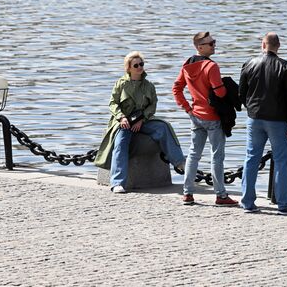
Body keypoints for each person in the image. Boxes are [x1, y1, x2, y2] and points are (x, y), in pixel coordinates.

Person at [95, 51, 186, 193]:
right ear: (129, 68)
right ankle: (117, 183)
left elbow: (153, 105)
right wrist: (121, 117)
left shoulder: (149, 85)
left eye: (141, 64)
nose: (139, 67)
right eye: (135, 65)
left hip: (143, 120)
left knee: (163, 127)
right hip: (123, 121)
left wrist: (142, 119)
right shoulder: (121, 84)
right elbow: (113, 103)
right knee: (120, 143)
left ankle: (180, 162)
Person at [238, 32, 287, 215]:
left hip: (254, 118)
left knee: (251, 158)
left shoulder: (249, 64)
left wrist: (250, 108)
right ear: (278, 46)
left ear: (262, 45)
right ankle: (283, 205)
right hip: (278, 120)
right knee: (281, 161)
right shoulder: (286, 67)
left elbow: (241, 93)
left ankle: (248, 202)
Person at [172, 32, 238, 206]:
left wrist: (187, 108)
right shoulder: (211, 66)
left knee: (194, 154)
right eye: (210, 43)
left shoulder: (187, 64)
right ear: (199, 47)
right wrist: (226, 86)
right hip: (213, 117)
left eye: (214, 42)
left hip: (196, 116)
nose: (214, 45)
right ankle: (221, 195)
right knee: (217, 156)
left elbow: (177, 88)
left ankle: (187, 193)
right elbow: (220, 92)